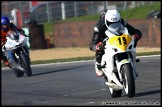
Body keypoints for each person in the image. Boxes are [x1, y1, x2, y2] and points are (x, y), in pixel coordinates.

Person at [89, 9, 142, 77]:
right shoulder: (99, 26)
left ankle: (133, 66)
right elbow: (92, 44)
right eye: (111, 23)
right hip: (105, 40)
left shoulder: (122, 22)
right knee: (99, 52)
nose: (114, 25)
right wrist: (97, 46)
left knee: (131, 43)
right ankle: (98, 63)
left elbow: (135, 31)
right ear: (106, 21)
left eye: (116, 23)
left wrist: (136, 36)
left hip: (118, 38)